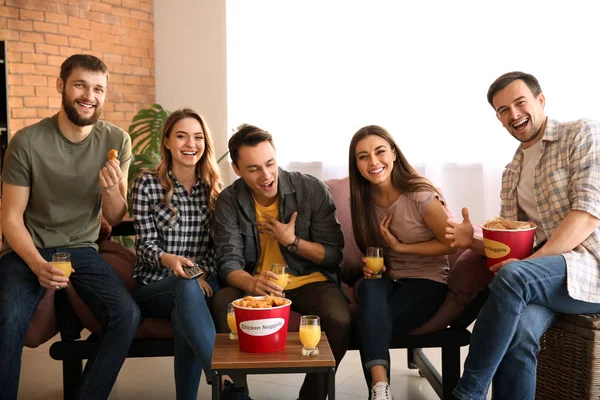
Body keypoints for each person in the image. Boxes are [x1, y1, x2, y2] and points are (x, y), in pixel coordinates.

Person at [447, 71, 600, 400]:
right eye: (503, 110)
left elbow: (587, 215)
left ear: (540, 100)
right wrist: (470, 241)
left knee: (515, 277)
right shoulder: (512, 171)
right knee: (519, 334)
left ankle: (467, 393)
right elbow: (513, 245)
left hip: (589, 268)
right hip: (542, 276)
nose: (513, 114)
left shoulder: (581, 133)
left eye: (520, 103)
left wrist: (528, 264)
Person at [0, 54, 140, 400]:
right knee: (7, 319)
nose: (89, 96)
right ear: (61, 85)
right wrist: (37, 264)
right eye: (80, 85)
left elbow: (117, 213)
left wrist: (111, 190)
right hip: (26, 249)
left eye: (98, 89)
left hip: (81, 248)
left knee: (126, 315)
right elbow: (10, 219)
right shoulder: (27, 142)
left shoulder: (117, 141)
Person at [212, 124, 352, 400]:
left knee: (339, 320)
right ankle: (237, 393)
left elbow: (333, 253)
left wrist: (292, 242)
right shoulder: (229, 200)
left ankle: (309, 398)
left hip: (309, 281)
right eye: (253, 169)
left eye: (270, 163)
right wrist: (253, 282)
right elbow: (228, 263)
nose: (266, 175)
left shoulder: (311, 189)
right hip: (255, 284)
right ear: (237, 169)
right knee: (222, 303)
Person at [132, 108, 246, 399]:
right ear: (167, 141)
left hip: (200, 285)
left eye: (197, 137)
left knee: (185, 312)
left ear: (205, 144)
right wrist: (174, 264)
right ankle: (222, 382)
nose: (190, 144)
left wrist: (198, 274)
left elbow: (216, 250)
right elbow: (144, 247)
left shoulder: (213, 191)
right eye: (181, 136)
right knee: (184, 288)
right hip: (155, 285)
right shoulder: (146, 184)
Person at [348, 125, 454, 400]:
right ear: (356, 164)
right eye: (363, 156)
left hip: (427, 281)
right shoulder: (362, 200)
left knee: (369, 321)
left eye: (380, 151)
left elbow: (449, 243)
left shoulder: (420, 195)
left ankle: (378, 388)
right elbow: (375, 249)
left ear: (394, 154)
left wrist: (400, 246)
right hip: (389, 279)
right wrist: (377, 264)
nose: (373, 161)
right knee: (369, 289)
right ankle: (380, 388)